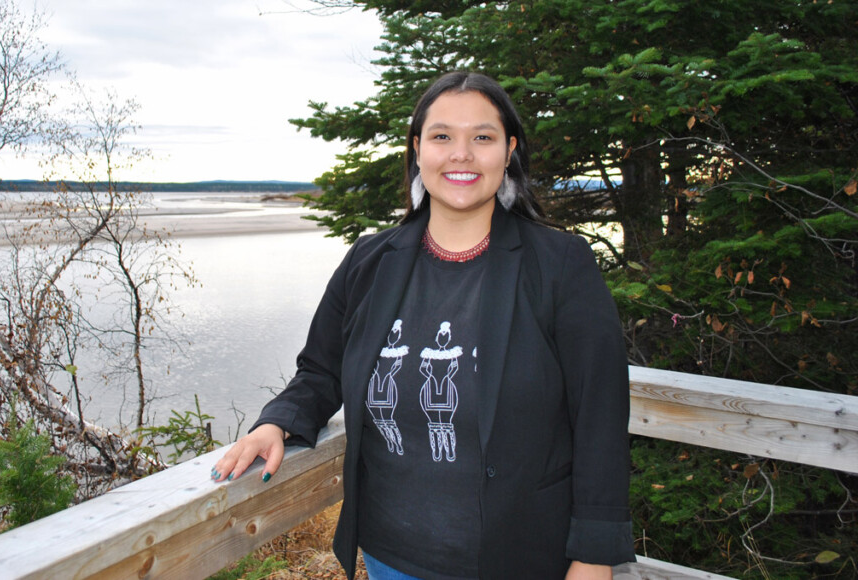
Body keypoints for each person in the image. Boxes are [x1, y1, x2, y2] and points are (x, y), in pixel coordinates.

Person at [212, 71, 635, 580]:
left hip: (523, 556)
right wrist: (276, 422)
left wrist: (593, 557)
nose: (461, 154)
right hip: (392, 555)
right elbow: (320, 371)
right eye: (442, 137)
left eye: (482, 137)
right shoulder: (369, 261)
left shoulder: (560, 265)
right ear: (417, 150)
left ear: (509, 150)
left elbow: (600, 416)